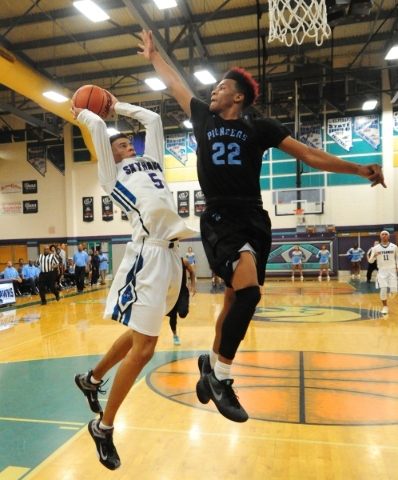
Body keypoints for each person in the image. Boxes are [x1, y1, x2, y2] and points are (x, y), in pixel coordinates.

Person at [138, 29, 385, 423]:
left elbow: (309, 154)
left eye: (221, 87)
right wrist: (154, 55)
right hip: (220, 216)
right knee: (249, 293)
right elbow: (174, 84)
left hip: (255, 217)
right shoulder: (202, 116)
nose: (213, 92)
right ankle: (221, 377)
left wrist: (358, 168)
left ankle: (209, 367)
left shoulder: (260, 127)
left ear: (238, 96)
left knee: (235, 299)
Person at [71, 92, 195, 470]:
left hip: (171, 253)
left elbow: (153, 122)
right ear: (112, 154)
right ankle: (103, 427)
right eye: (121, 143)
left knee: (143, 334)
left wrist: (118, 105)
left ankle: (91, 379)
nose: (129, 144)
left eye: (129, 140)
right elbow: (94, 126)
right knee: (144, 349)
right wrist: (87, 111)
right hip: (147, 255)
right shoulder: (112, 174)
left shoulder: (152, 161)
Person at [166, 257, 195, 345]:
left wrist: (193, 286)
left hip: (182, 291)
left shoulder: (184, 261)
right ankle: (175, 335)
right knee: (173, 316)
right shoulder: (165, 261)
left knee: (183, 313)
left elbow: (192, 272)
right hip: (170, 292)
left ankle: (184, 306)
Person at [368, 231, 398, 315]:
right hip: (381, 270)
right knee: (383, 288)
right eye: (382, 234)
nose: (384, 236)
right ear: (380, 237)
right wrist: (374, 256)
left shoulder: (394, 247)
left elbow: (397, 257)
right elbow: (370, 261)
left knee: (394, 290)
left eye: (386, 235)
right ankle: (385, 307)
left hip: (392, 270)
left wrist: (397, 266)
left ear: (388, 237)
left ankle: (392, 292)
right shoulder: (375, 248)